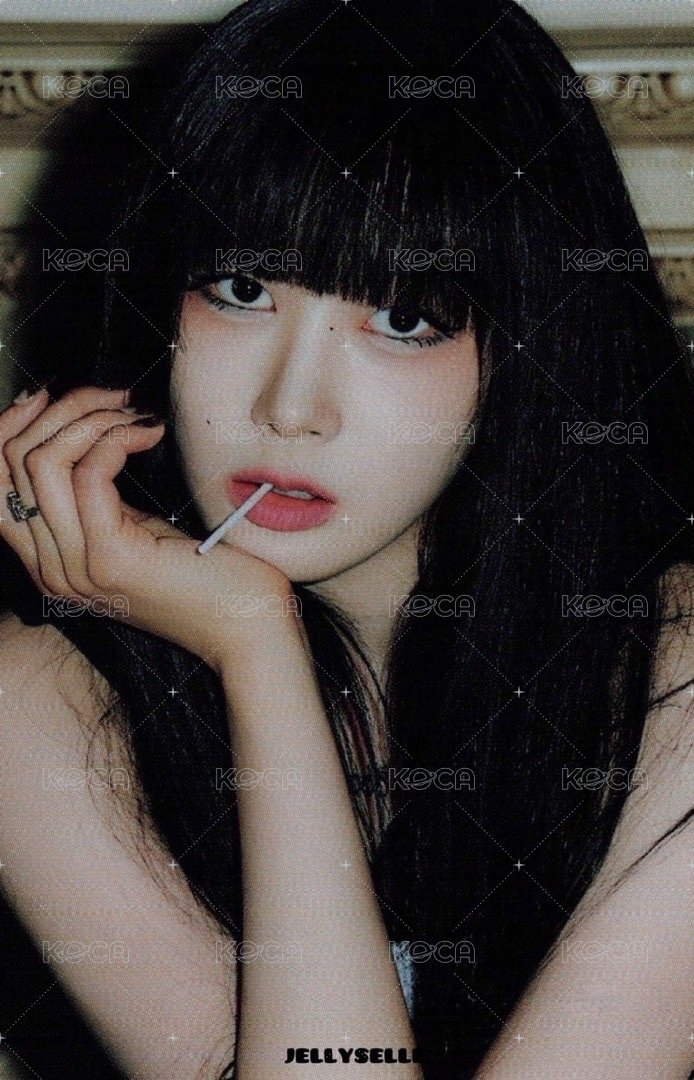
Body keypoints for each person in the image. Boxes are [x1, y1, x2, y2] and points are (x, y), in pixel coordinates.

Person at [0, 0, 692, 1077]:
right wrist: (256, 648)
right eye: (240, 291)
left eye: (404, 319)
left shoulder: (670, 671)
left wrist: (251, 650)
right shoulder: (41, 700)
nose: (291, 409)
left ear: (531, 345)